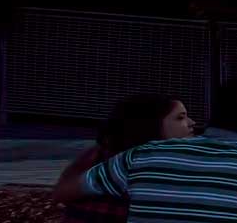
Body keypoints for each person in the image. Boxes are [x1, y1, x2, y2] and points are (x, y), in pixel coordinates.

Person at [55, 77, 237, 223]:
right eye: (180, 117)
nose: (189, 123)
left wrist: (97, 150)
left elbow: (65, 191)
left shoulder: (142, 156)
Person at [57, 94, 197, 222]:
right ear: (150, 125)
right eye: (180, 117)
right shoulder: (139, 167)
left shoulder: (101, 157)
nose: (192, 122)